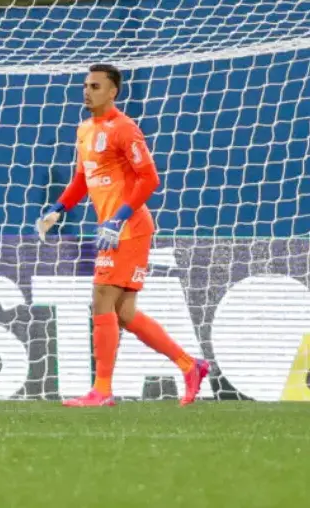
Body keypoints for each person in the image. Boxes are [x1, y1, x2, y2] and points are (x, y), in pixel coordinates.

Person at [37, 64, 209, 407]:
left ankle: (101, 391)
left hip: (128, 228)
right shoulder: (84, 129)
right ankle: (190, 366)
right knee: (125, 313)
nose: (87, 91)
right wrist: (58, 208)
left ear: (113, 91)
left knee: (102, 296)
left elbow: (149, 179)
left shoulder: (125, 129)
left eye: (96, 86)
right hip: (114, 228)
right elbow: (83, 179)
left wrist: (117, 220)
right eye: (86, 85)